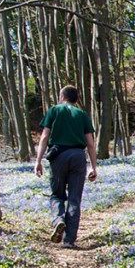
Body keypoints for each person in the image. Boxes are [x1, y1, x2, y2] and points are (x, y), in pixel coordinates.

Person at [34, 86, 98, 249]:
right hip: (78, 156)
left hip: (58, 156)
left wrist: (38, 161)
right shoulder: (82, 115)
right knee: (74, 198)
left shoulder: (54, 111)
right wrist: (93, 167)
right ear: (76, 99)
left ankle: (59, 220)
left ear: (61, 96)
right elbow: (90, 144)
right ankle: (69, 240)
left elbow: (44, 137)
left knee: (57, 195)